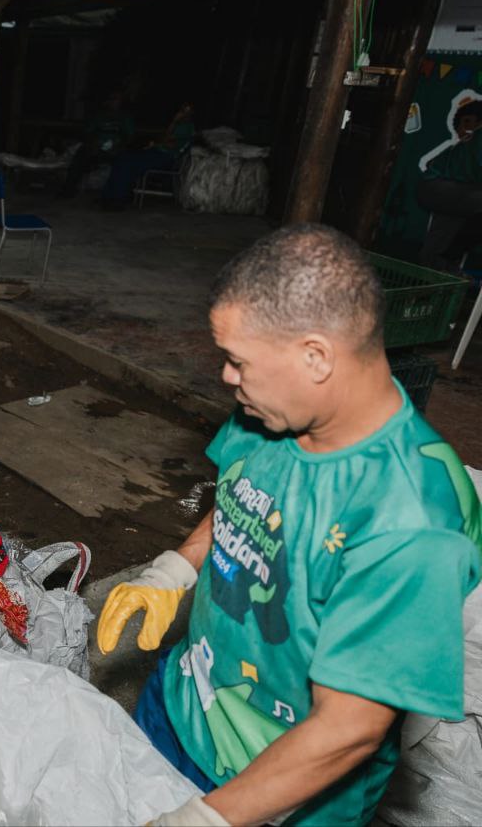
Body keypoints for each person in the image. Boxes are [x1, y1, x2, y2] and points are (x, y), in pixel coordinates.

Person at [96, 223, 481, 826]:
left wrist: (204, 818)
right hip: (179, 704)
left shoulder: (413, 515)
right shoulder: (271, 410)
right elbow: (237, 496)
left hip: (279, 792)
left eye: (237, 361)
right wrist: (173, 570)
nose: (226, 377)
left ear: (316, 357)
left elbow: (351, 727)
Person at [416, 98, 482, 271]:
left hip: (449, 189)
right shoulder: (473, 142)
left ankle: (438, 265)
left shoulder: (470, 143)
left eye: (468, 122)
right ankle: (447, 258)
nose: (463, 129)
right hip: (440, 186)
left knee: (449, 223)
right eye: (463, 123)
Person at [101, 101, 196, 210]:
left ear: (192, 113)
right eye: (182, 110)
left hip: (166, 157)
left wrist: (157, 143)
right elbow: (166, 138)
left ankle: (118, 199)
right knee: (122, 157)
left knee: (128, 163)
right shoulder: (179, 124)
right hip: (158, 152)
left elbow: (170, 144)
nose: (183, 113)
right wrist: (173, 124)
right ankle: (109, 196)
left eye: (187, 111)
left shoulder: (187, 127)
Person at [58, 90, 136, 198]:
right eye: (110, 99)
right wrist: (93, 144)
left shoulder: (125, 117)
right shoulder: (99, 116)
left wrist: (119, 146)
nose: (112, 101)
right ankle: (69, 189)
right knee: (81, 153)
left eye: (116, 99)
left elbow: (129, 137)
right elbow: (88, 133)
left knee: (126, 160)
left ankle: (120, 195)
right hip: (96, 147)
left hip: (116, 149)